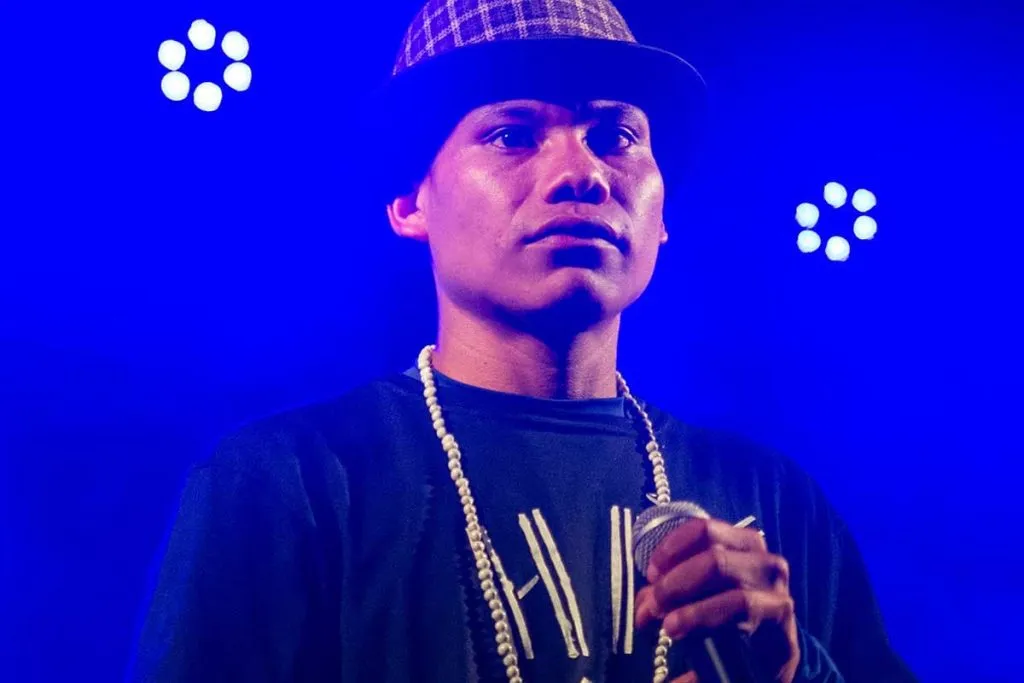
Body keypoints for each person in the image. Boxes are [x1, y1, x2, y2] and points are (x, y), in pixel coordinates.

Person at [130, 1, 917, 681]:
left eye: (616, 135)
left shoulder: (771, 501)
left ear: (663, 215)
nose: (583, 173)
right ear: (410, 201)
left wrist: (794, 670)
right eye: (511, 134)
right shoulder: (291, 483)